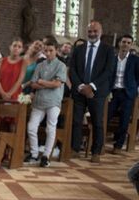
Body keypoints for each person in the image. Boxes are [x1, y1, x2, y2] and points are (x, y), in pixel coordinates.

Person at [69, 20, 116, 163]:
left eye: (95, 31)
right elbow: (73, 70)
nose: (92, 34)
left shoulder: (107, 50)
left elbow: (108, 71)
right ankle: (75, 149)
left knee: (97, 122)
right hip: (80, 91)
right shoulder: (79, 49)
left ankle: (95, 152)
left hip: (97, 92)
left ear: (100, 32)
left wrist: (92, 86)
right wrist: (81, 86)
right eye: (90, 31)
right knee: (76, 121)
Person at [24, 37, 67, 167]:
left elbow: (58, 83)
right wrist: (48, 83)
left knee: (50, 127)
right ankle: (34, 153)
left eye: (51, 50)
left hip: (54, 101)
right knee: (31, 127)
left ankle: (46, 156)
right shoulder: (40, 65)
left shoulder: (61, 65)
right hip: (39, 100)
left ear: (56, 50)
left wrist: (42, 82)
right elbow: (33, 83)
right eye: (46, 50)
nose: (48, 53)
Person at [107, 34, 139, 153]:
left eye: (128, 43)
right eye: (124, 42)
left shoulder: (135, 60)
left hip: (127, 93)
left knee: (124, 119)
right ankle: (100, 142)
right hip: (113, 92)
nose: (125, 44)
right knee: (106, 116)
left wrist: (135, 90)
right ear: (119, 43)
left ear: (131, 45)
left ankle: (118, 145)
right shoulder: (112, 58)